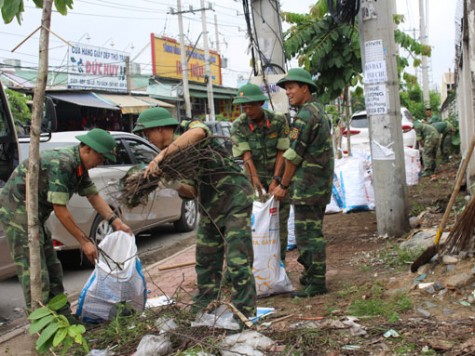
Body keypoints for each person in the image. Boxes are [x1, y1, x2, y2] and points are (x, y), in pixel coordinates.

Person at [132, 107, 256, 318]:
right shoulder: (171, 160)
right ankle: (206, 305)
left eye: (147, 133)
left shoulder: (187, 129)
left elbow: (200, 133)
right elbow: (192, 191)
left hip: (235, 197)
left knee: (237, 259)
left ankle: (245, 312)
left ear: (161, 129)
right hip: (210, 204)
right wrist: (172, 184)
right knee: (206, 259)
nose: (148, 139)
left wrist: (160, 156)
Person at [0, 128, 132, 312]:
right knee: (35, 271)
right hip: (17, 213)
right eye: (101, 158)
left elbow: (93, 195)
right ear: (87, 150)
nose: (100, 163)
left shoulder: (80, 167)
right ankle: (42, 324)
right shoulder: (63, 164)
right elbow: (61, 211)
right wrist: (84, 241)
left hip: (36, 214)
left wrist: (115, 221)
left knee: (53, 266)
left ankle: (62, 315)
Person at [273, 68, 334, 298]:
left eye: (291, 87)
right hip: (316, 184)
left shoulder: (306, 116)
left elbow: (293, 155)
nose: (288, 92)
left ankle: (317, 281)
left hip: (308, 185)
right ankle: (311, 274)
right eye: (286, 88)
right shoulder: (317, 110)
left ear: (305, 88)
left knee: (308, 235)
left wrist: (283, 185)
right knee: (309, 232)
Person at [230, 83, 291, 261]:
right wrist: (256, 181)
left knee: (279, 224)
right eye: (244, 107)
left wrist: (276, 180)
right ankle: (255, 267)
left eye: (250, 106)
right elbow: (246, 155)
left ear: (260, 104)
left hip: (278, 179)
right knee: (253, 225)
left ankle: (278, 266)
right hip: (251, 181)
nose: (247, 110)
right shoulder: (238, 126)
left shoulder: (279, 121)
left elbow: (283, 152)